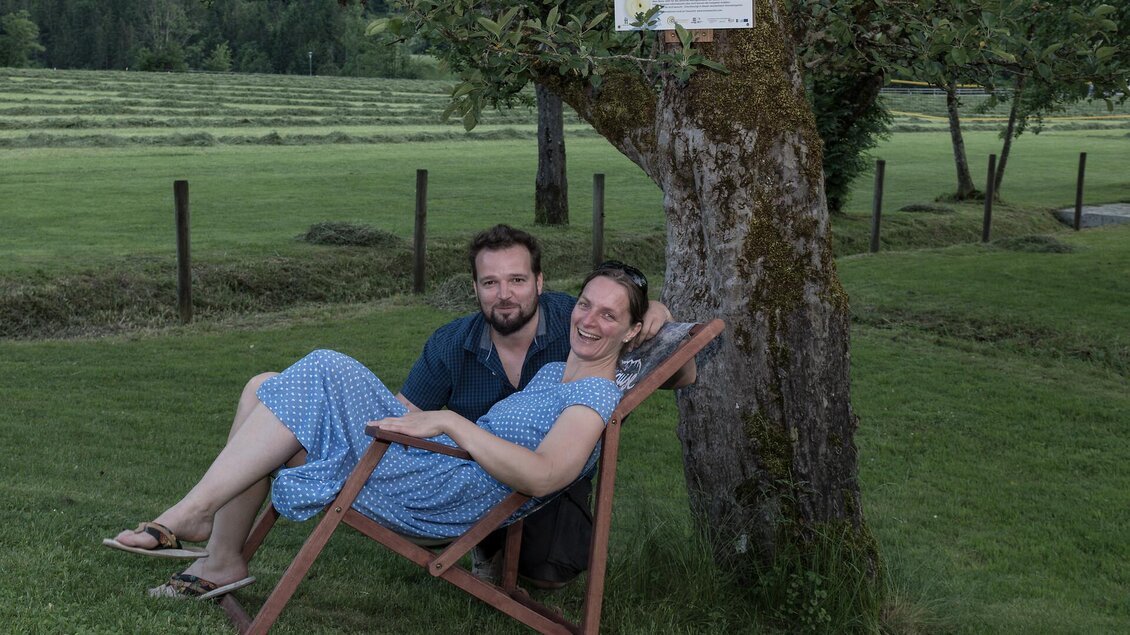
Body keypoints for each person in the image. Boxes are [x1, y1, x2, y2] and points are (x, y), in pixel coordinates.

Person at [103, 262, 695, 601]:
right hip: (433, 464)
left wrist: (450, 422)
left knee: (328, 365)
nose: (589, 319)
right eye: (586, 304)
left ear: (630, 329)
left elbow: (545, 475)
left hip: (444, 496)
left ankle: (194, 516)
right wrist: (657, 312)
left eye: (609, 314)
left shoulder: (594, 394)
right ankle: (223, 559)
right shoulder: (551, 371)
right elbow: (669, 344)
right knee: (264, 384)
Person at [395, 224, 674, 587]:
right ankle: (484, 541)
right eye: (490, 283)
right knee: (332, 383)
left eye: (517, 280)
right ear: (475, 288)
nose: (505, 295)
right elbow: (401, 418)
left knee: (547, 567)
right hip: (465, 476)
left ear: (539, 283)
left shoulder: (574, 327)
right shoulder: (453, 343)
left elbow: (678, 376)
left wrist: (657, 312)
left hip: (550, 477)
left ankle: (498, 545)